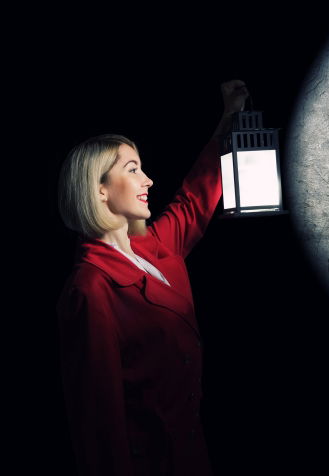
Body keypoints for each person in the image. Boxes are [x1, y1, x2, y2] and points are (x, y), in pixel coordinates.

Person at [57, 80, 248, 476]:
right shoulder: (91, 289)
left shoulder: (157, 247)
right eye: (133, 170)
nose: (148, 180)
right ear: (100, 192)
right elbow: (99, 426)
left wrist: (229, 119)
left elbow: (194, 198)